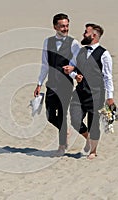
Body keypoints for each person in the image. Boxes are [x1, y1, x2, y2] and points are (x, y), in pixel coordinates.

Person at [63, 23, 115, 159]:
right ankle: (88, 138)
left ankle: (93, 151)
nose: (83, 34)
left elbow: (108, 77)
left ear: (93, 36)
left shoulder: (104, 54)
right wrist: (74, 75)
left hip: (96, 94)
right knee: (75, 120)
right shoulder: (80, 51)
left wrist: (110, 97)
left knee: (93, 123)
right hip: (79, 92)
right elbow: (71, 68)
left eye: (86, 32)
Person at [34, 13, 80, 156]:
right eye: (62, 26)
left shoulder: (74, 43)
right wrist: (39, 83)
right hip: (52, 83)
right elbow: (45, 64)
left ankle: (62, 146)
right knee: (50, 115)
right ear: (55, 26)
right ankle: (64, 131)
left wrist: (73, 72)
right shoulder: (48, 42)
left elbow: (77, 63)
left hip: (66, 84)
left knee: (62, 114)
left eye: (67, 25)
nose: (65, 28)